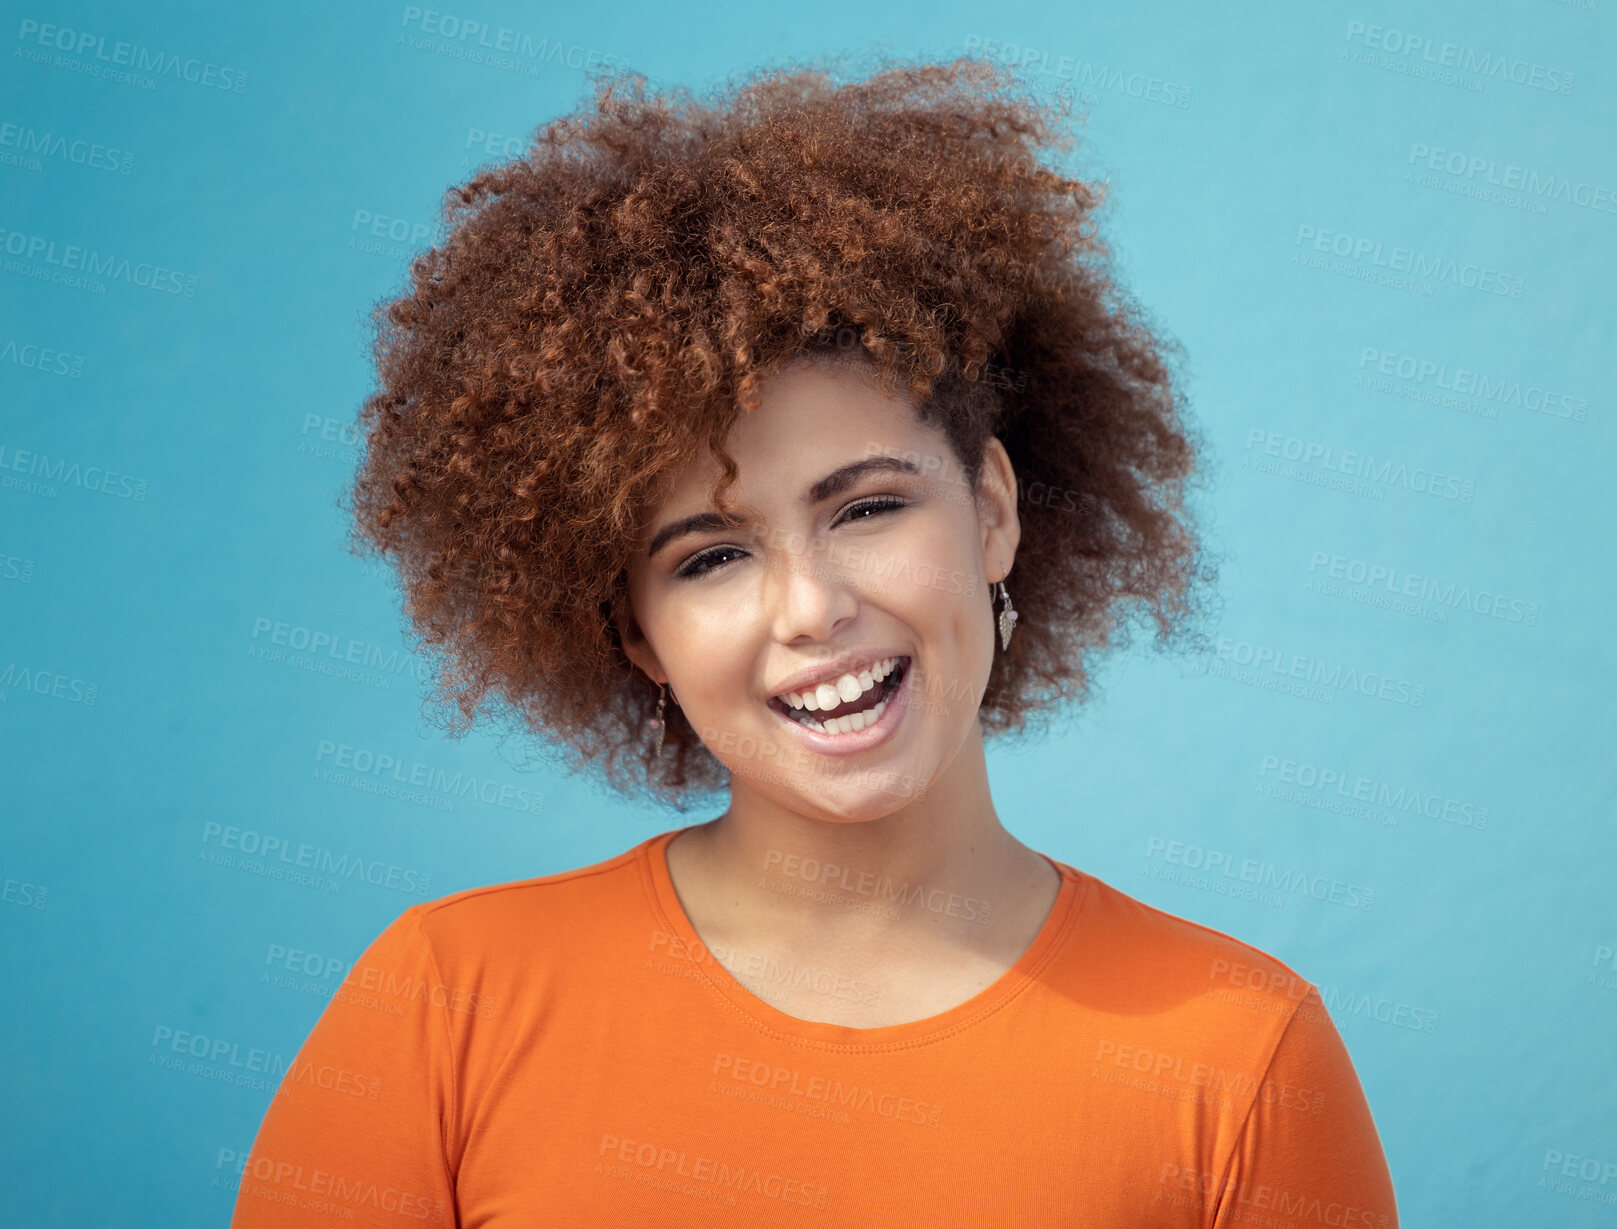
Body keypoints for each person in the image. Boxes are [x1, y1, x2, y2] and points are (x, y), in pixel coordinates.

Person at [231, 56, 1399, 1226]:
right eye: (710, 555)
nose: (810, 608)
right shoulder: (449, 1003)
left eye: (869, 507)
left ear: (992, 509)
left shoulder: (1242, 1048)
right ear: (637, 631)